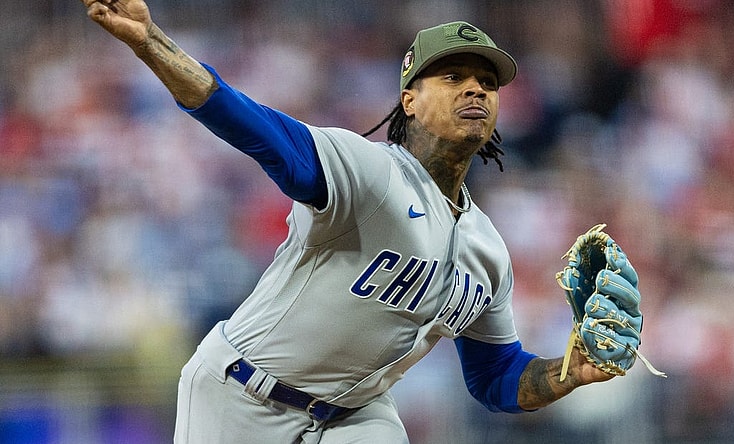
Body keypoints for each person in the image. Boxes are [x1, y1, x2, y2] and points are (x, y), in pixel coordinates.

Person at [80, 1, 622, 442]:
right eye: (453, 76)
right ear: (409, 100)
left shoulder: (489, 251)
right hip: (241, 394)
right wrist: (151, 43)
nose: (476, 89)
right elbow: (254, 126)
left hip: (355, 417)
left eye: (487, 81)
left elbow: (496, 377)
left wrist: (567, 371)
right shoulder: (369, 171)